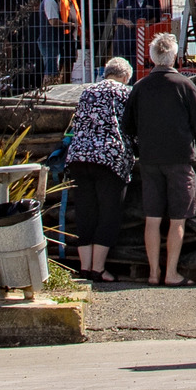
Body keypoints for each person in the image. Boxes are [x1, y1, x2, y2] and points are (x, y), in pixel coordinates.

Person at [121, 30, 196, 285]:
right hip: (179, 158)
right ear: (175, 57)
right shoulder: (185, 85)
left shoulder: (140, 86)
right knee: (177, 218)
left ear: (152, 57)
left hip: (149, 159)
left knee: (152, 218)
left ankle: (153, 273)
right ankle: (172, 273)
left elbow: (127, 125)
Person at [66, 56, 134, 282]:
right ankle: (98, 268)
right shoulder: (125, 93)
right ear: (125, 76)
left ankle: (84, 268)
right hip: (110, 158)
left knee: (85, 213)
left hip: (78, 157)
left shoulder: (87, 91)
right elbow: (131, 126)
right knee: (109, 213)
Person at [112, 0, 164, 72]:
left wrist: (146, 24)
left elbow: (157, 18)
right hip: (127, 40)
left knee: (141, 67)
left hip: (145, 39)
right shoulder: (125, 1)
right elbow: (116, 19)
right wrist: (125, 22)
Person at [39, 0, 82, 85]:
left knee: (56, 67)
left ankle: (54, 89)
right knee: (53, 69)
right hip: (57, 38)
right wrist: (68, 26)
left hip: (62, 38)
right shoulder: (53, 0)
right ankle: (49, 92)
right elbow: (54, 21)